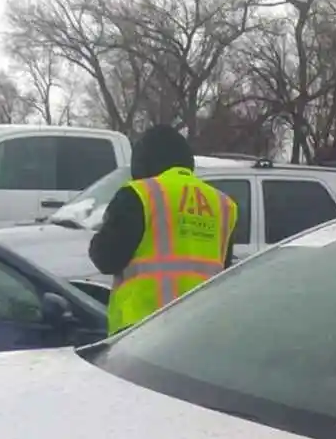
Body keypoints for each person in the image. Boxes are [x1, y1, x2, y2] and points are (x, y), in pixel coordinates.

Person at [88, 125, 238, 335]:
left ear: (143, 161)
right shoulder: (224, 204)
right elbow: (222, 268)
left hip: (141, 329)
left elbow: (105, 258)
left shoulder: (138, 194)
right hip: (200, 327)